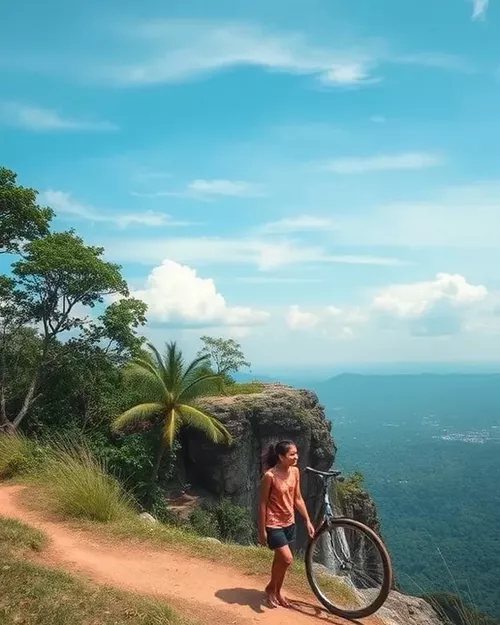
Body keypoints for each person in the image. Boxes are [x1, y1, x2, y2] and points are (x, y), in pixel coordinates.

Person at [258, 440, 315, 608]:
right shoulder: (270, 476)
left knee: (280, 560)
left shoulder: (295, 472)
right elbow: (262, 504)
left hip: (289, 522)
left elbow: (298, 498)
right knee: (287, 558)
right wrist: (262, 531)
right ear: (281, 457)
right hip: (273, 523)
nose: (296, 457)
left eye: (296, 453)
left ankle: (276, 591)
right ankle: (271, 588)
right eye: (292, 454)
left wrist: (307, 520)